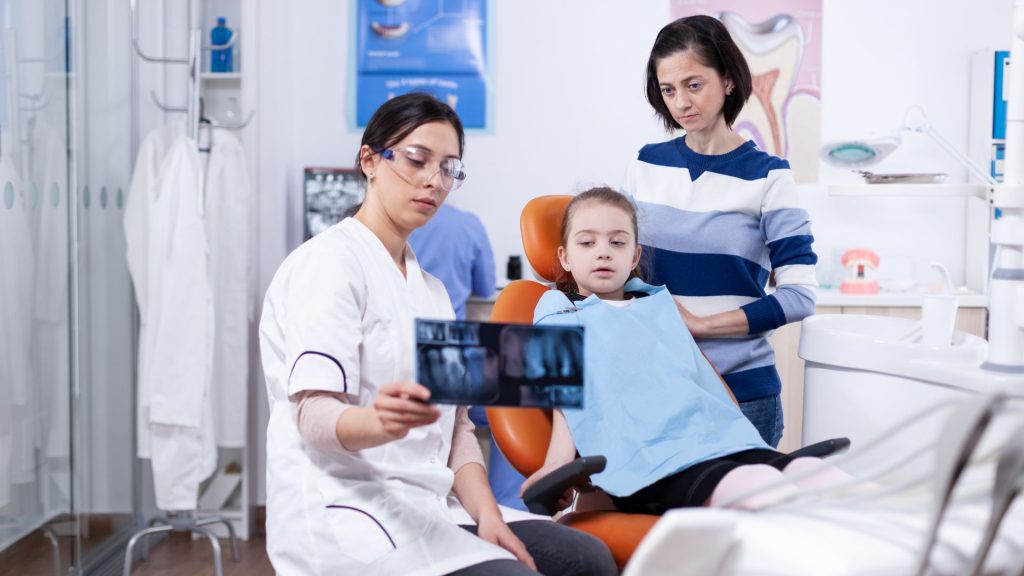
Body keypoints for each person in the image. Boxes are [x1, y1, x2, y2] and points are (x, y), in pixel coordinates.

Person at [259, 93, 616, 576]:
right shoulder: (327, 264)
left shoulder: (430, 289)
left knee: (586, 557)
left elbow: (459, 429)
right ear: (369, 160)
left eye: (449, 168)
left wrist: (487, 514)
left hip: (426, 510)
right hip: (346, 514)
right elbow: (313, 416)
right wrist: (377, 423)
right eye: (417, 160)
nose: (434, 180)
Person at [522, 188, 848, 515]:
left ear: (635, 257)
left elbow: (703, 376)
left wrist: (742, 435)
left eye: (617, 242)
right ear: (565, 256)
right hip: (651, 459)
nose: (603, 252)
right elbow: (563, 391)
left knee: (822, 478)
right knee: (760, 487)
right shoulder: (557, 307)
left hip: (717, 440)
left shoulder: (656, 302)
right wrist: (557, 464)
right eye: (587, 243)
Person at [621, 15, 818, 447]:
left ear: (728, 80)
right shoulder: (646, 165)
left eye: (694, 85)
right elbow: (623, 268)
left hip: (742, 394)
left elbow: (800, 295)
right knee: (657, 517)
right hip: (659, 386)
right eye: (668, 90)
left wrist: (700, 326)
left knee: (736, 515)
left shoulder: (770, 177)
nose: (681, 103)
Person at [409, 203, 496, 320]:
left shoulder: (401, 223)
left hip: (408, 329)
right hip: (453, 330)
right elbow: (486, 289)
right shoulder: (469, 224)